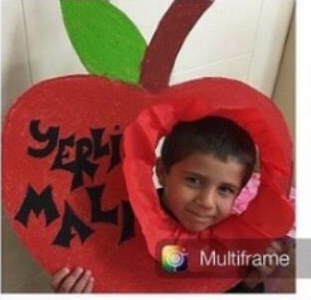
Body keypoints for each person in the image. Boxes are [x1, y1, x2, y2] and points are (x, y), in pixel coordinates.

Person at [49, 116, 289, 293]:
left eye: (225, 190)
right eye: (193, 181)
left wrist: (248, 281)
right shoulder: (124, 222)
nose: (206, 202)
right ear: (163, 172)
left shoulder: (229, 242)